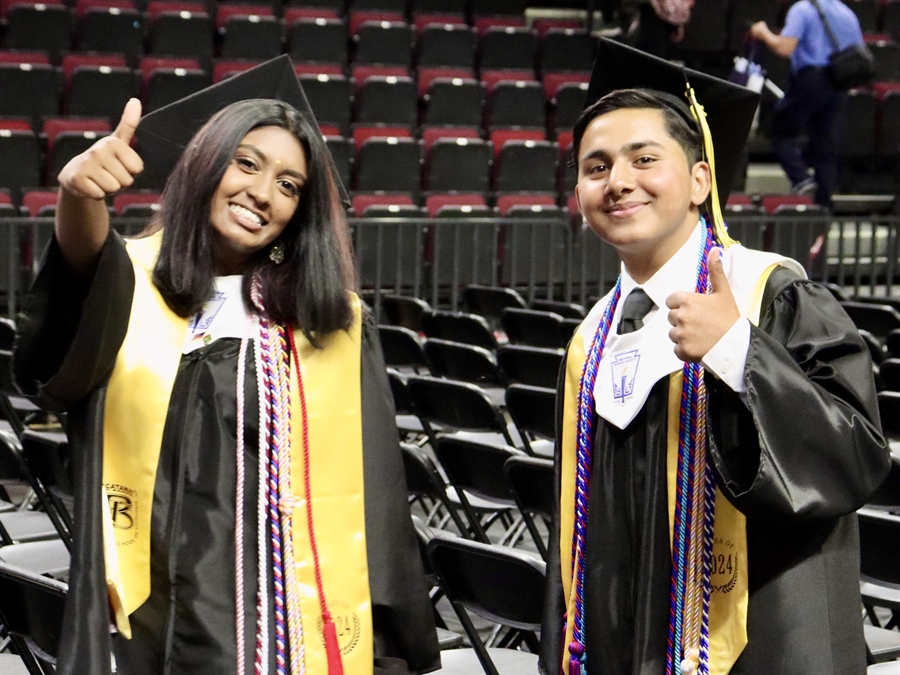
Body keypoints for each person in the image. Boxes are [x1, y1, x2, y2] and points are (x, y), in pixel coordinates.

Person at [13, 57, 439, 675]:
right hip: (136, 619)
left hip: (267, 629)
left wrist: (386, 644)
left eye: (290, 186)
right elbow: (80, 282)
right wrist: (78, 194)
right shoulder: (131, 287)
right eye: (246, 163)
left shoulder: (330, 326)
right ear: (204, 165)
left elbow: (373, 494)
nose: (263, 194)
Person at [540, 39, 889, 675]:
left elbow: (857, 459)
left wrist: (739, 352)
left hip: (767, 645)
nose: (618, 181)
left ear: (702, 178)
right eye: (595, 168)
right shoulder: (590, 339)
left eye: (644, 158)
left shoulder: (772, 294)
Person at [750, 0, 865, 208]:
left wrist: (763, 32)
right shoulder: (847, 13)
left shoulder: (803, 9)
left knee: (779, 130)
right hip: (840, 82)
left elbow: (785, 48)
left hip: (811, 79)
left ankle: (801, 178)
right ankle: (824, 206)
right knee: (826, 146)